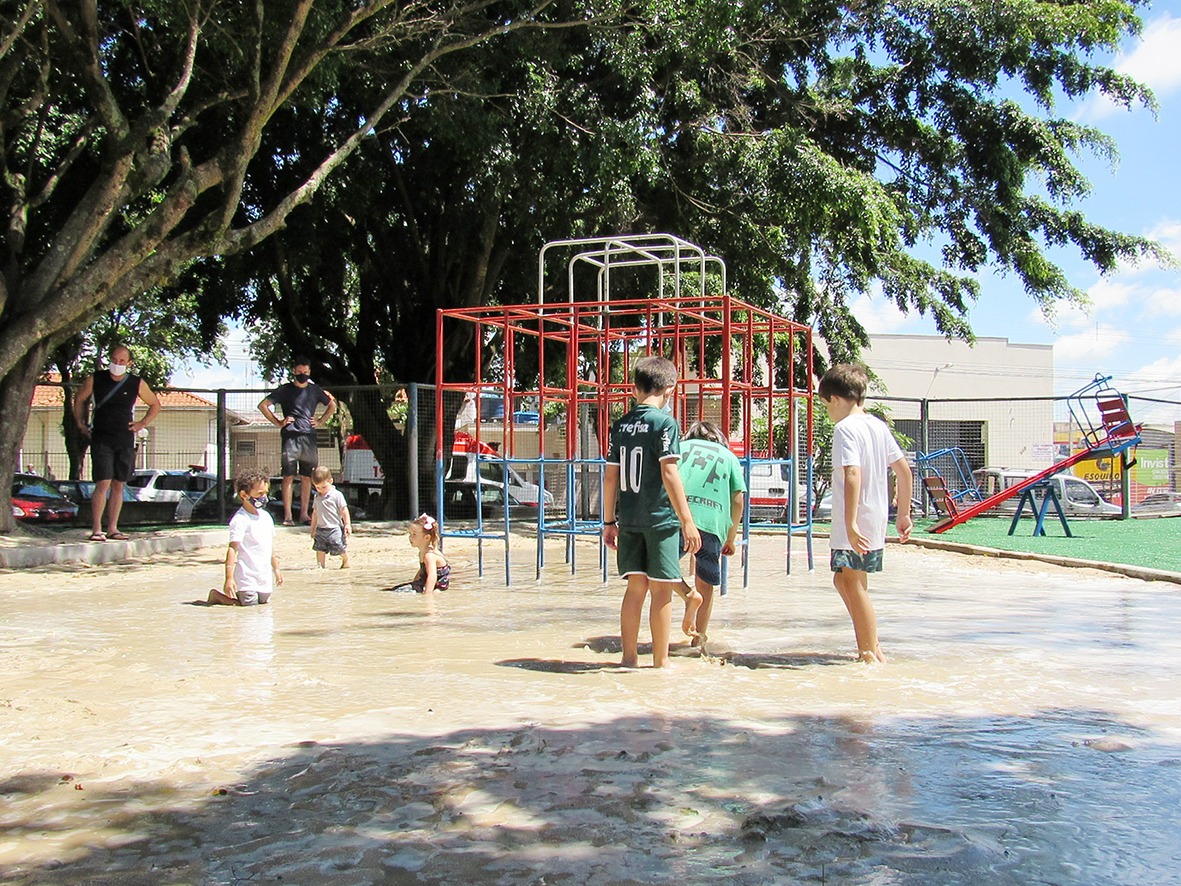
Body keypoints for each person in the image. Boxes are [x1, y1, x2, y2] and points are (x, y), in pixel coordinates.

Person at [602, 355, 701, 669]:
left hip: (629, 520)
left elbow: (610, 477)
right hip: (660, 521)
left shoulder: (620, 425)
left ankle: (628, 659)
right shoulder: (665, 423)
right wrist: (687, 520)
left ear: (635, 388)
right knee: (661, 590)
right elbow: (669, 473)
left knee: (635, 589)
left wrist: (609, 521)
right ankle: (661, 663)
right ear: (670, 389)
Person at [818, 363, 914, 664]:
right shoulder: (878, 426)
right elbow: (904, 470)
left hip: (856, 519)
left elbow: (852, 473)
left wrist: (850, 523)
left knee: (853, 583)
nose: (829, 413)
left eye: (826, 407)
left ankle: (870, 652)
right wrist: (903, 514)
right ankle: (870, 644)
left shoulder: (845, 428)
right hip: (875, 517)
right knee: (843, 580)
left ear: (835, 399)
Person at [72, 344, 161, 542]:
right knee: (103, 481)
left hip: (124, 438)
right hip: (101, 437)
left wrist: (142, 423)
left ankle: (113, 528)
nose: (117, 364)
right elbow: (79, 399)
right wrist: (80, 424)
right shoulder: (96, 379)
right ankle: (97, 529)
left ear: (129, 363)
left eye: (121, 361)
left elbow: (155, 404)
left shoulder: (136, 383)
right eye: (114, 360)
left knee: (119, 484)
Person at [675, 420, 746, 645]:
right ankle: (699, 641)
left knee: (657, 566)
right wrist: (730, 538)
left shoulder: (679, 448)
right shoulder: (729, 457)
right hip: (712, 522)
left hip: (677, 518)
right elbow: (738, 500)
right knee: (705, 583)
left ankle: (686, 595)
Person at [258, 357, 336, 526]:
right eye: (299, 372)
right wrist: (279, 422)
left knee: (307, 477)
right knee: (288, 476)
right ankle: (288, 516)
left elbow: (332, 405)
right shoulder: (284, 390)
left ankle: (304, 515)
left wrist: (320, 421)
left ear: (309, 372)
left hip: (309, 436)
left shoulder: (315, 390)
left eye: (305, 372)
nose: (302, 375)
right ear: (294, 371)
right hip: (290, 436)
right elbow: (263, 405)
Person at [208, 468, 284, 606]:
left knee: (263, 605)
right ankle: (217, 596)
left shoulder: (266, 517)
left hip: (264, 577)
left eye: (266, 493)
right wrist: (229, 578)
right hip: (247, 577)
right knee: (248, 607)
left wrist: (277, 570)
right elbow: (232, 549)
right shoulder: (240, 519)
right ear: (244, 495)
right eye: (259, 494)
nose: (264, 497)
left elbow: (269, 547)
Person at [390, 513, 450, 593]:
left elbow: (432, 576)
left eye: (414, 534)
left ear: (427, 537)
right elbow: (422, 570)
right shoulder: (423, 552)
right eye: (410, 534)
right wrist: (414, 582)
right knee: (395, 590)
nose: (410, 537)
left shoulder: (429, 555)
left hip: (437, 587)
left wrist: (427, 595)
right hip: (425, 583)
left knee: (400, 592)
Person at [309, 466, 351, 569]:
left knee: (339, 547)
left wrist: (347, 524)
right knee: (319, 548)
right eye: (317, 487)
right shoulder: (317, 497)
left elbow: (344, 510)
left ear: (331, 481)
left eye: (324, 487)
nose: (321, 490)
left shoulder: (337, 495)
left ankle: (345, 560)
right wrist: (313, 528)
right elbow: (315, 513)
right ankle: (320, 566)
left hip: (334, 528)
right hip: (320, 528)